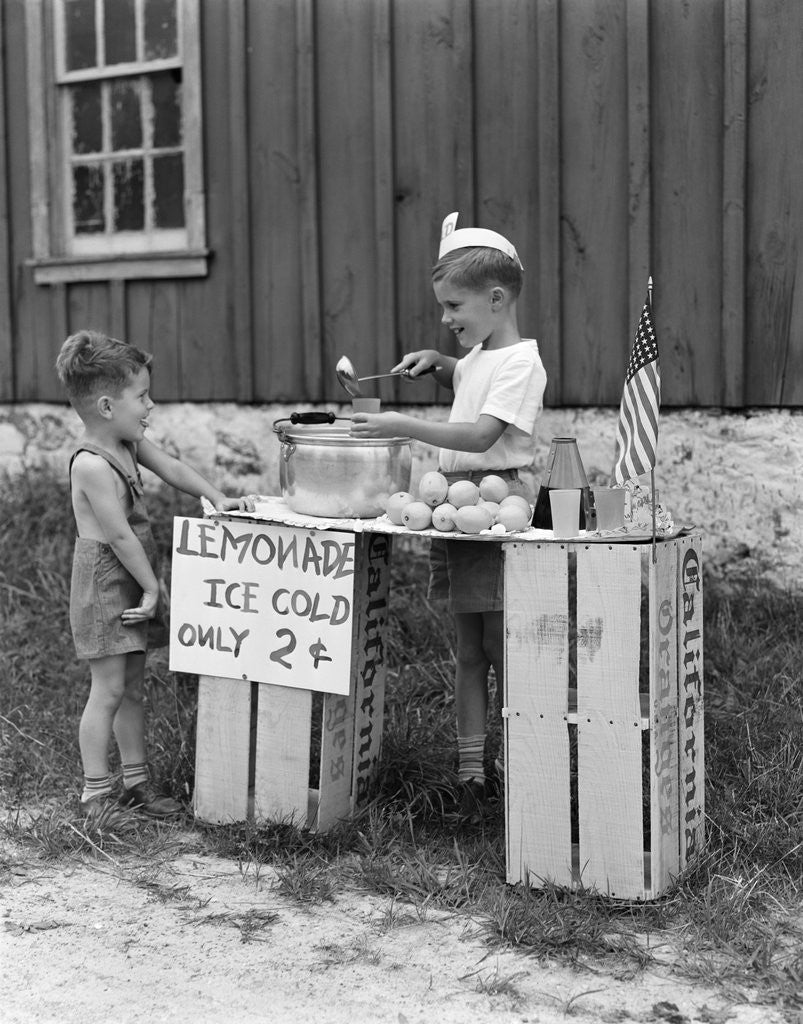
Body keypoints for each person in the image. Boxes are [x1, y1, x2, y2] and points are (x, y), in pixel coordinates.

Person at [351, 212, 547, 821]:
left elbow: (484, 433)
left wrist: (404, 425)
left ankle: (519, 762)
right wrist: (437, 360)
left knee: (497, 643)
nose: (446, 318)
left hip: (496, 504)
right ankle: (470, 772)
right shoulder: (483, 354)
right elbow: (465, 379)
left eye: (453, 307)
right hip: (461, 504)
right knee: (467, 646)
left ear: (497, 299)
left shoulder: (521, 363)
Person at [55, 330, 255, 820]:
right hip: (106, 585)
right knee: (108, 690)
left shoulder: (129, 441)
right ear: (107, 406)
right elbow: (119, 536)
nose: (151, 405)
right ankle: (94, 795)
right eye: (142, 396)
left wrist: (216, 497)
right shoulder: (91, 465)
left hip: (131, 577)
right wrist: (152, 586)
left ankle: (136, 784)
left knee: (133, 687)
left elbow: (171, 467)